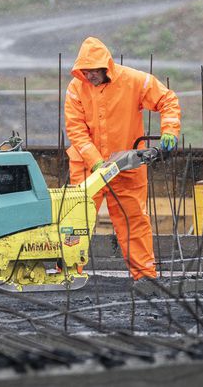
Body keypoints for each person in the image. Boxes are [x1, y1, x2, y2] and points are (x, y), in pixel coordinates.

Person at [64, 37, 181, 279]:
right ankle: (68, 273)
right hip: (87, 167)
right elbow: (76, 130)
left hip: (126, 165)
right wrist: (97, 163)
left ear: (105, 66)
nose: (89, 76)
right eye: (84, 71)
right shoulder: (76, 88)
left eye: (93, 71)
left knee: (133, 221)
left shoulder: (134, 80)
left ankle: (144, 277)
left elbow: (167, 99)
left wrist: (170, 129)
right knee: (76, 222)